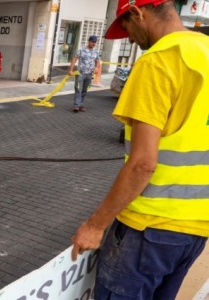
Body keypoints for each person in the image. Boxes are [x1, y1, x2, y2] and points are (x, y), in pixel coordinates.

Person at [71, 0, 209, 299]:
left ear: (137, 12)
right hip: (196, 228)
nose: (129, 38)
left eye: (126, 27)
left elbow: (142, 164)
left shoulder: (159, 61)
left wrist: (95, 226)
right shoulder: (205, 53)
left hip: (148, 228)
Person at [68, 35, 100, 112]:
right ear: (88, 41)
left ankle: (80, 105)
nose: (93, 43)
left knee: (84, 90)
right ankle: (76, 105)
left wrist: (96, 68)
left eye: (95, 42)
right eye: (92, 42)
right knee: (78, 89)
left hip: (89, 74)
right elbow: (74, 59)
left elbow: (97, 61)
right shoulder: (81, 50)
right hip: (80, 74)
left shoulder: (96, 51)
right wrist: (70, 70)